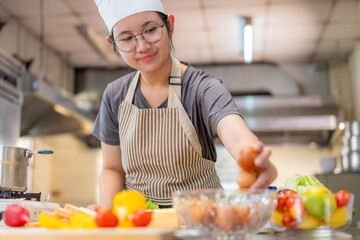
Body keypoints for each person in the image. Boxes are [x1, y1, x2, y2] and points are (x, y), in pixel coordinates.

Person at [92, 0, 277, 209]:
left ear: (169, 25)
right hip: (140, 223)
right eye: (126, 38)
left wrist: (253, 158)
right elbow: (113, 168)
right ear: (113, 44)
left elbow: (235, 133)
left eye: (150, 30)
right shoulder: (115, 95)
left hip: (201, 221)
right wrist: (107, 215)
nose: (142, 46)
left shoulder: (202, 88)